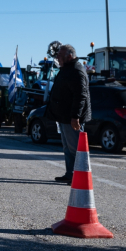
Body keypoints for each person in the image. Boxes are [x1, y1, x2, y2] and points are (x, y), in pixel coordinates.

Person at [45, 44, 92, 184]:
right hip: (64, 117)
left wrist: (75, 117)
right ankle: (70, 174)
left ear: (69, 56)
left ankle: (80, 178)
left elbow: (80, 96)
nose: (57, 57)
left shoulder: (76, 71)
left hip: (71, 118)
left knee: (76, 149)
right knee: (68, 148)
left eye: (60, 55)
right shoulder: (67, 69)